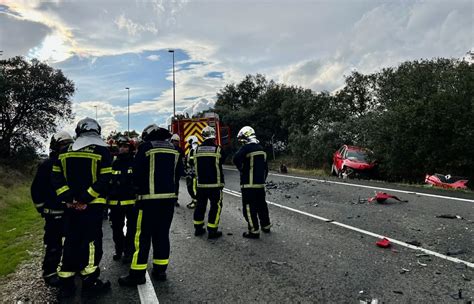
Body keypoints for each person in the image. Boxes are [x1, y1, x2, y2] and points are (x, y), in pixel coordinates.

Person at [52, 117, 112, 297]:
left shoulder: (64, 150)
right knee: (92, 242)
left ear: (78, 131)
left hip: (70, 207)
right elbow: (105, 179)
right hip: (92, 207)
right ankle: (90, 280)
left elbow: (56, 179)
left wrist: (70, 198)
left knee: (70, 240)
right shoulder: (102, 150)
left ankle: (66, 283)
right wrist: (85, 199)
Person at [118, 125, 183, 286]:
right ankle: (160, 271)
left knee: (142, 237)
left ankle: (137, 274)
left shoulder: (145, 147)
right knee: (162, 235)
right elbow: (179, 172)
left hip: (148, 201)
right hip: (168, 200)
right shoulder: (174, 149)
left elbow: (137, 172)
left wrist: (136, 190)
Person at [31, 131, 73, 287]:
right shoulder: (47, 165)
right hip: (53, 212)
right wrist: (42, 208)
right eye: (63, 144)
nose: (66, 147)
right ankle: (50, 273)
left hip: (69, 211)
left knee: (71, 242)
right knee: (54, 244)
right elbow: (36, 189)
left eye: (69, 144)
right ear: (55, 146)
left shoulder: (69, 162)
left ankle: (69, 269)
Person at [233, 126, 271, 239]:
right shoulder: (261, 149)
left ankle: (254, 231)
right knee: (262, 205)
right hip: (260, 184)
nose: (242, 142)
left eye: (242, 139)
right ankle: (266, 225)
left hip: (248, 185)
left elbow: (236, 159)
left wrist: (242, 169)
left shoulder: (246, 148)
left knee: (249, 208)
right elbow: (266, 169)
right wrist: (262, 180)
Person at [107, 135, 137, 264]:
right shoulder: (113, 162)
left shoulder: (135, 162)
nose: (123, 149)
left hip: (131, 202)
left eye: (125, 146)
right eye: (121, 146)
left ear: (130, 148)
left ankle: (129, 252)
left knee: (132, 230)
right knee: (116, 229)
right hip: (115, 202)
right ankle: (119, 250)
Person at [193, 126, 225, 239]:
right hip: (215, 185)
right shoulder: (218, 149)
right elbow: (222, 161)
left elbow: (191, 162)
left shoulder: (196, 150)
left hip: (201, 184)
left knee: (200, 206)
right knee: (215, 207)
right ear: (213, 136)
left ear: (203, 136)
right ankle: (212, 230)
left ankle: (198, 228)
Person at [171, 134, 185, 207]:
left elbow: (182, 161)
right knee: (169, 186)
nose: (176, 142)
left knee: (176, 186)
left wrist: (182, 171)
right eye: (175, 141)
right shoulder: (168, 149)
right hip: (169, 172)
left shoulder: (180, 150)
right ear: (172, 141)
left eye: (177, 141)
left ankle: (175, 200)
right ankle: (169, 200)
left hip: (176, 172)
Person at [185, 136, 198, 209]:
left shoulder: (194, 149)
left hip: (193, 173)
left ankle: (195, 202)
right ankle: (194, 200)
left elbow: (191, 161)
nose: (188, 144)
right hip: (191, 172)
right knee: (192, 188)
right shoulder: (193, 149)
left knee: (193, 188)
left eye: (189, 142)